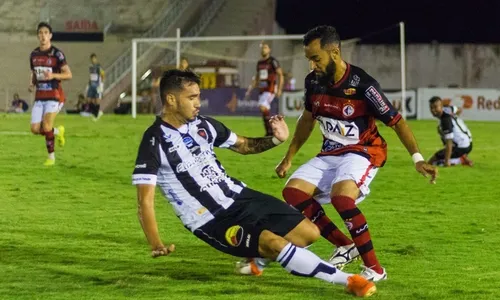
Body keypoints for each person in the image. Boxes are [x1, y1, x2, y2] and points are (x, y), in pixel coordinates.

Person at [132, 69, 377, 298]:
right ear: (171, 100)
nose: (198, 103)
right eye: (192, 98)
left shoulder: (203, 125)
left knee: (309, 233)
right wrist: (156, 243)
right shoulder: (154, 141)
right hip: (211, 219)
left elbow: (243, 145)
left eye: (198, 97)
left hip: (240, 196)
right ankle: (348, 281)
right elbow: (145, 200)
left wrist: (275, 140)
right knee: (274, 242)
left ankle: (257, 261)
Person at [238, 25, 438, 282]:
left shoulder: (363, 85)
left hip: (363, 152)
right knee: (293, 192)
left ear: (334, 53)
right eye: (309, 59)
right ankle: (345, 245)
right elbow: (307, 119)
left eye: (315, 58)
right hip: (330, 153)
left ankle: (375, 270)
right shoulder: (314, 82)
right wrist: (289, 157)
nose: (312, 66)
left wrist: (418, 159)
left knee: (342, 198)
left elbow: (397, 121)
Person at [29, 22, 71, 166]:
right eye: (40, 33)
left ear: (50, 36)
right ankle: (57, 132)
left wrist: (53, 75)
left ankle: (51, 158)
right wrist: (32, 83)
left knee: (46, 126)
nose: (43, 35)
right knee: (35, 129)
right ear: (37, 36)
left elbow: (68, 74)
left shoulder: (57, 54)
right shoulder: (34, 55)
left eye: (46, 33)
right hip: (40, 96)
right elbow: (34, 73)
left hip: (54, 95)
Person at [245, 42, 284, 136]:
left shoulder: (272, 61)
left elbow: (280, 74)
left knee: (263, 107)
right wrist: (249, 90)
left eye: (265, 48)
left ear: (269, 50)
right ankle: (270, 131)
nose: (263, 49)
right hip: (262, 89)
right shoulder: (260, 63)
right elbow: (257, 77)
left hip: (270, 89)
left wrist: (279, 89)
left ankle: (271, 131)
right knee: (264, 110)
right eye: (262, 48)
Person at [427, 96, 473, 167]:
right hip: (468, 142)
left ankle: (460, 159)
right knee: (440, 130)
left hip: (461, 147)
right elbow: (459, 110)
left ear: (441, 106)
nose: (433, 110)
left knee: (431, 162)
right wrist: (455, 118)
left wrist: (446, 161)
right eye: (431, 108)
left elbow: (449, 142)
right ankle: (460, 157)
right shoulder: (448, 109)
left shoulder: (445, 120)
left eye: (435, 107)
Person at [86, 53, 105, 120]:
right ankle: (96, 112)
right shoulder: (90, 66)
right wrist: (88, 84)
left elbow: (102, 74)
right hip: (91, 85)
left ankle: (96, 115)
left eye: (94, 58)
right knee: (88, 100)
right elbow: (91, 76)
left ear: (96, 59)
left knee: (97, 100)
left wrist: (101, 84)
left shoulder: (98, 66)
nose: (93, 60)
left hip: (97, 85)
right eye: (92, 59)